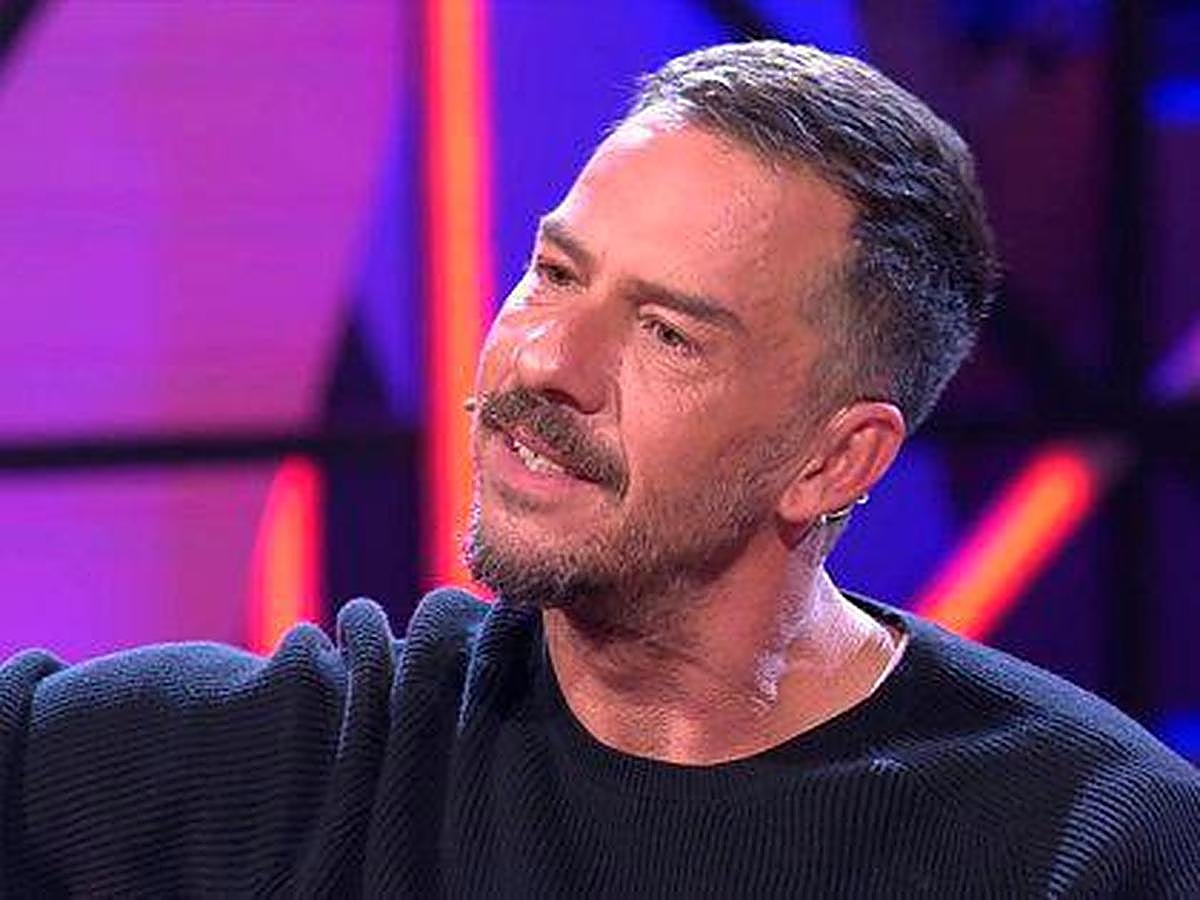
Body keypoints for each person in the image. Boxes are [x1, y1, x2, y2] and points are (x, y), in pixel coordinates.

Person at [2, 40, 1198, 898]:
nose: (546, 363)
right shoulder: (337, 759)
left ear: (836, 460)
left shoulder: (1082, 843)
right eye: (555, 275)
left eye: (668, 334)